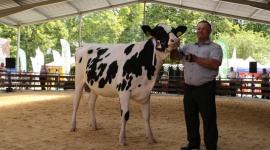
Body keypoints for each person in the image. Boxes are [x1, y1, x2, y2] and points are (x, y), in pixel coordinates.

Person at [178, 21, 223, 150]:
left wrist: (196, 59)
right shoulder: (187, 47)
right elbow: (175, 56)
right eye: (198, 28)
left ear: (209, 31)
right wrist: (174, 45)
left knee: (208, 118)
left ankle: (211, 145)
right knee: (190, 117)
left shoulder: (215, 47)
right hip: (189, 88)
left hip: (205, 87)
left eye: (203, 29)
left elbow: (215, 64)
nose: (200, 31)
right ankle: (193, 143)